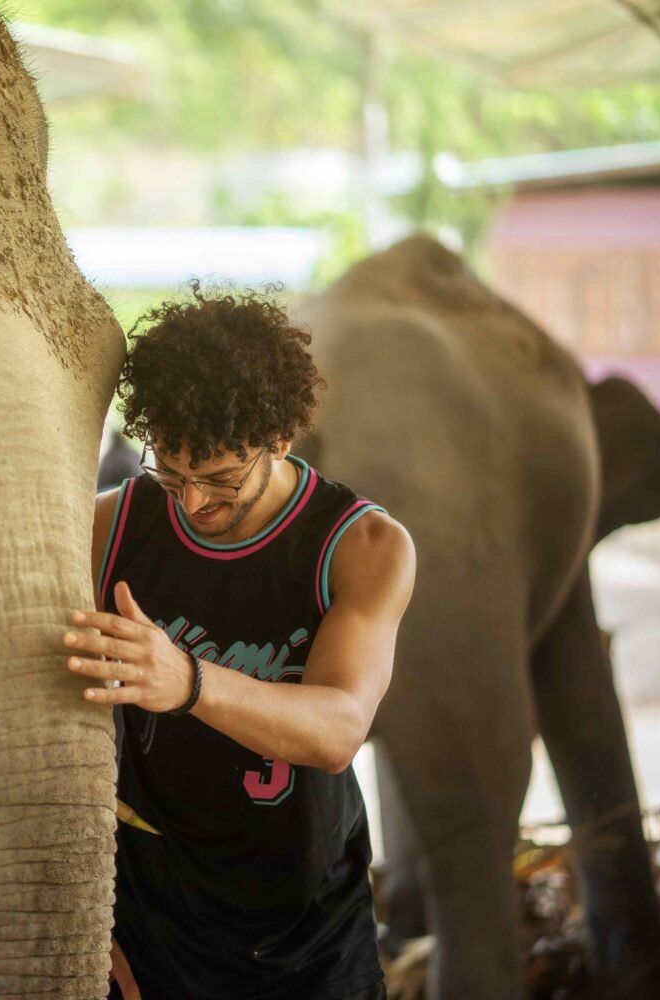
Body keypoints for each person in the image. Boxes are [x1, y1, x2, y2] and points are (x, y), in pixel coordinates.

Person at [62, 286, 415, 1000]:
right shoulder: (108, 529)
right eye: (170, 471)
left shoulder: (363, 546)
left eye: (221, 480)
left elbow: (339, 730)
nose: (192, 503)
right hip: (150, 928)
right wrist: (88, 930)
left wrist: (187, 681)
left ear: (280, 438)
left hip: (310, 940)